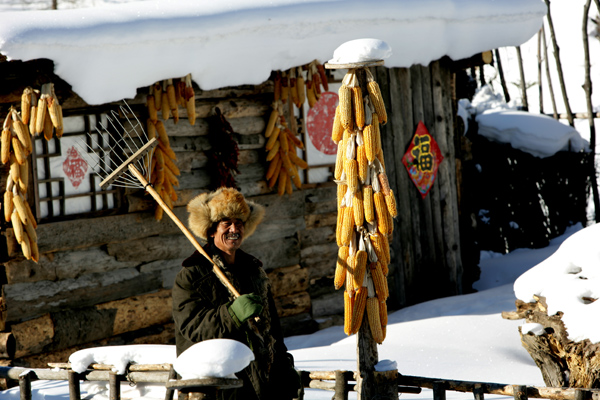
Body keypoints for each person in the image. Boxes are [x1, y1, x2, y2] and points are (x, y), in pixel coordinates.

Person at [172, 187, 302, 400]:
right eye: (226, 223)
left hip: (262, 384)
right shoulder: (192, 275)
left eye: (239, 223)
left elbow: (273, 331)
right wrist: (231, 314)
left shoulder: (254, 272)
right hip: (217, 387)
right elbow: (191, 327)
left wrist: (284, 367)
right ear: (212, 230)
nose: (234, 229)